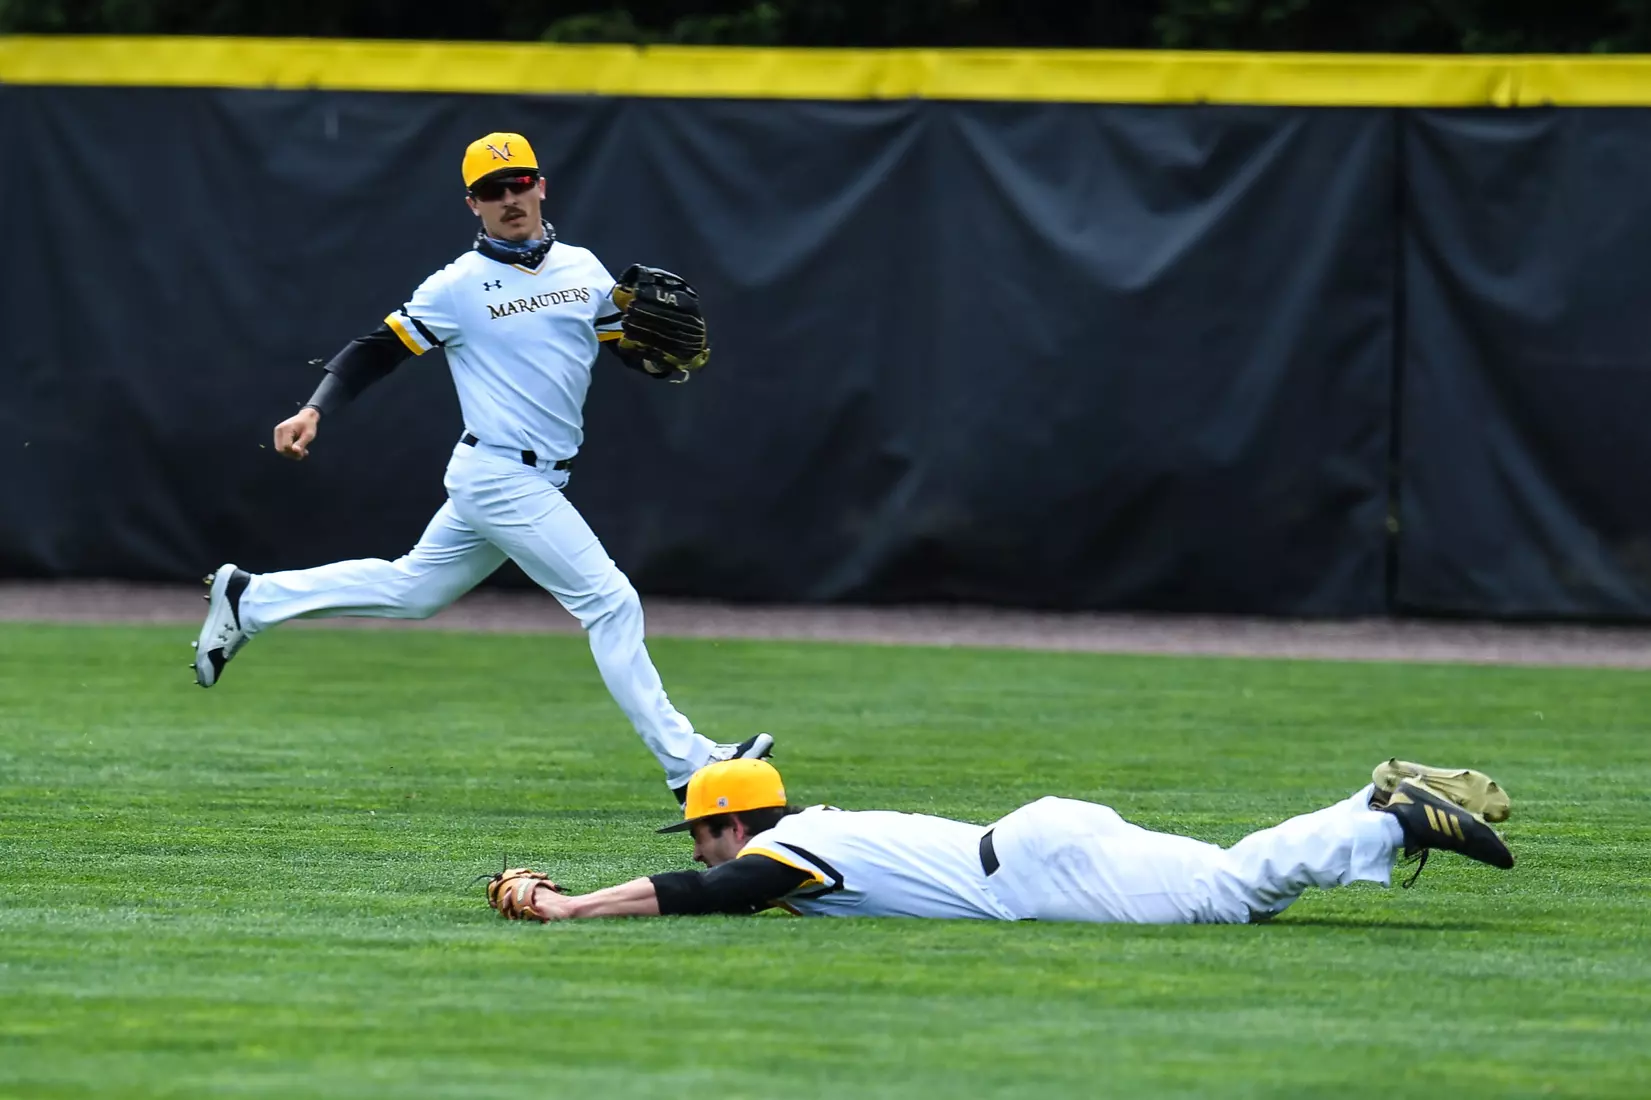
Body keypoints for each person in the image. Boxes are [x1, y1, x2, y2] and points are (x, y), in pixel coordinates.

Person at [192, 131, 771, 800]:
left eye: (519, 182)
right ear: (472, 204)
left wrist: (649, 347)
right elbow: (375, 349)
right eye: (492, 191)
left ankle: (251, 598)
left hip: (524, 475)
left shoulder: (583, 269)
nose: (509, 198)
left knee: (412, 592)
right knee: (610, 602)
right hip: (500, 475)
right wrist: (315, 409)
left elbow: (624, 342)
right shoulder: (457, 287)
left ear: (540, 185)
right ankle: (690, 763)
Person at [485, 757, 1514, 923]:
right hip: (1036, 838)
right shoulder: (816, 825)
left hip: (1034, 869)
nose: (699, 846)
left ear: (737, 821)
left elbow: (715, 893)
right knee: (1226, 873)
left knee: (1233, 893)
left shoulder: (789, 849)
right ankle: (1370, 802)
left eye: (704, 830)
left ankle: (1380, 816)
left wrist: (571, 906)